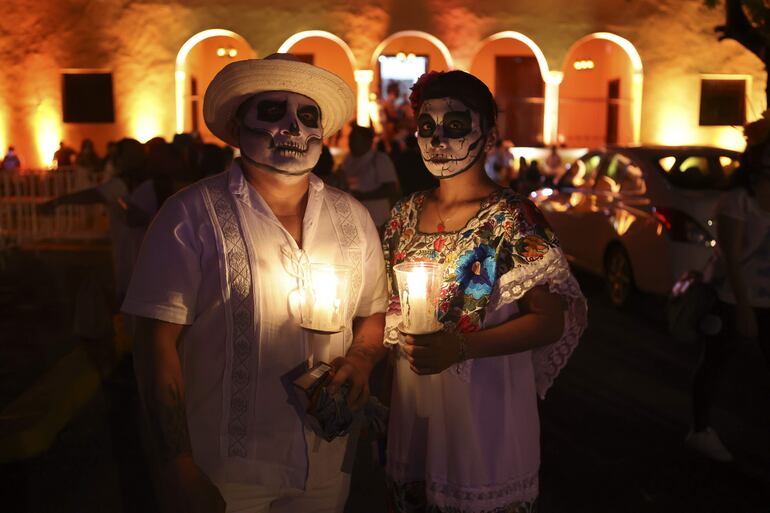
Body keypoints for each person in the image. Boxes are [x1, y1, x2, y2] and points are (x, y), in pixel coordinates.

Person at [122, 54, 388, 513]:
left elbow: (372, 311)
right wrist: (177, 466)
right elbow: (155, 345)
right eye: (272, 111)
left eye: (307, 116)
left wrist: (361, 359)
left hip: (324, 463)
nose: (292, 127)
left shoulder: (354, 219)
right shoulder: (189, 216)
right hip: (224, 471)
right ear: (238, 124)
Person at [381, 70, 587, 513]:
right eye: (426, 126)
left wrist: (462, 347)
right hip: (416, 411)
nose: (438, 140)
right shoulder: (403, 215)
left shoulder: (513, 218)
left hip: (485, 417)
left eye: (455, 125)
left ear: (489, 136)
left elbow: (550, 320)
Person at [687, 117, 770, 462]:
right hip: (734, 299)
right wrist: (745, 309)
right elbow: (732, 258)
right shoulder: (738, 200)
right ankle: (701, 429)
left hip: (766, 298)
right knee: (716, 364)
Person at [341, 124, 399, 228]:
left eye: (355, 139)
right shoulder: (348, 160)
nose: (351, 143)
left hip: (376, 221)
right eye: (350, 139)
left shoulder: (380, 160)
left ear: (368, 141)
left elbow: (391, 189)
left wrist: (363, 196)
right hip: (353, 221)